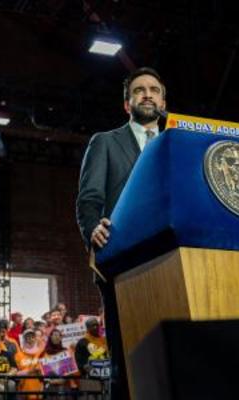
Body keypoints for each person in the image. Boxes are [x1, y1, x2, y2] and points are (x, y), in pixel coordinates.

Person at [76, 67, 167, 400]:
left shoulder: (176, 144)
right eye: (139, 90)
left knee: (170, 358)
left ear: (163, 102)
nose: (147, 94)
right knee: (128, 362)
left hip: (174, 260)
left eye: (154, 90)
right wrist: (93, 229)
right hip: (122, 262)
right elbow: (89, 199)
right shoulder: (105, 142)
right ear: (127, 104)